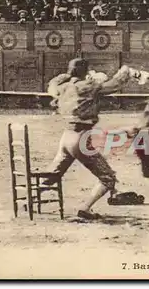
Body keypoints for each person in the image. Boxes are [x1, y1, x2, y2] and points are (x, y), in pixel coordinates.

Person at [43, 58, 143, 219]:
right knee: (108, 177)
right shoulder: (88, 86)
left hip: (66, 136)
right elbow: (113, 85)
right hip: (81, 139)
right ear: (84, 72)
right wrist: (126, 71)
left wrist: (68, 76)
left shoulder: (61, 87)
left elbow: (52, 84)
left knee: (54, 173)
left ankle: (31, 198)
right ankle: (85, 208)